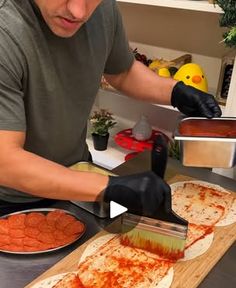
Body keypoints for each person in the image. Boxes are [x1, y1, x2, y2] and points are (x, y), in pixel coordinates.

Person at [0, 0, 221, 217]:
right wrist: (109, 187)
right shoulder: (5, 29)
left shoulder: (104, 9)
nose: (78, 11)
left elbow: (122, 72)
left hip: (77, 175)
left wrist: (176, 91)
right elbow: (6, 161)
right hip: (13, 201)